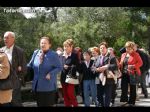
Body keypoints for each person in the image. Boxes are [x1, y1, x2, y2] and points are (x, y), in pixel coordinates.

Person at [27, 37, 62, 107]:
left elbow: (59, 67)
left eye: (45, 43)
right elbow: (30, 65)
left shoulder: (53, 55)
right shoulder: (36, 52)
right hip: (37, 86)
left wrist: (50, 73)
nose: (43, 44)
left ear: (49, 45)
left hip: (48, 86)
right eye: (41, 43)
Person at [1, 31, 27, 106]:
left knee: (16, 104)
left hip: (15, 84)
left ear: (13, 39)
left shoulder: (20, 51)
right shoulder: (1, 50)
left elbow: (24, 69)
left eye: (7, 38)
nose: (5, 39)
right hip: (3, 84)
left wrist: (19, 80)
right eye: (4, 38)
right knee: (4, 104)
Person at [94, 42, 118, 107]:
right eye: (101, 48)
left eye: (103, 48)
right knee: (99, 94)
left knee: (107, 95)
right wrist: (97, 69)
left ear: (106, 49)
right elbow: (92, 67)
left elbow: (115, 66)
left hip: (108, 78)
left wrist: (106, 67)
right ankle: (101, 105)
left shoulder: (111, 57)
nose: (102, 49)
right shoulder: (97, 58)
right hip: (98, 78)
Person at [120, 41, 143, 106]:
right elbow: (121, 63)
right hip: (124, 73)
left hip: (133, 74)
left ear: (133, 48)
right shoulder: (123, 54)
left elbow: (141, 63)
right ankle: (124, 100)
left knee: (132, 88)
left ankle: (131, 102)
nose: (128, 50)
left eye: (129, 48)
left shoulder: (136, 54)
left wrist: (133, 66)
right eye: (127, 48)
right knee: (124, 87)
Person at [60, 39, 79, 107]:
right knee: (65, 95)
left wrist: (69, 67)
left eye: (67, 46)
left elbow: (78, 66)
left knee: (70, 93)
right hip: (63, 77)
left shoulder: (74, 55)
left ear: (71, 47)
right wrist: (62, 66)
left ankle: (75, 105)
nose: (65, 48)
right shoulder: (61, 55)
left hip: (71, 77)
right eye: (64, 46)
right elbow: (58, 65)